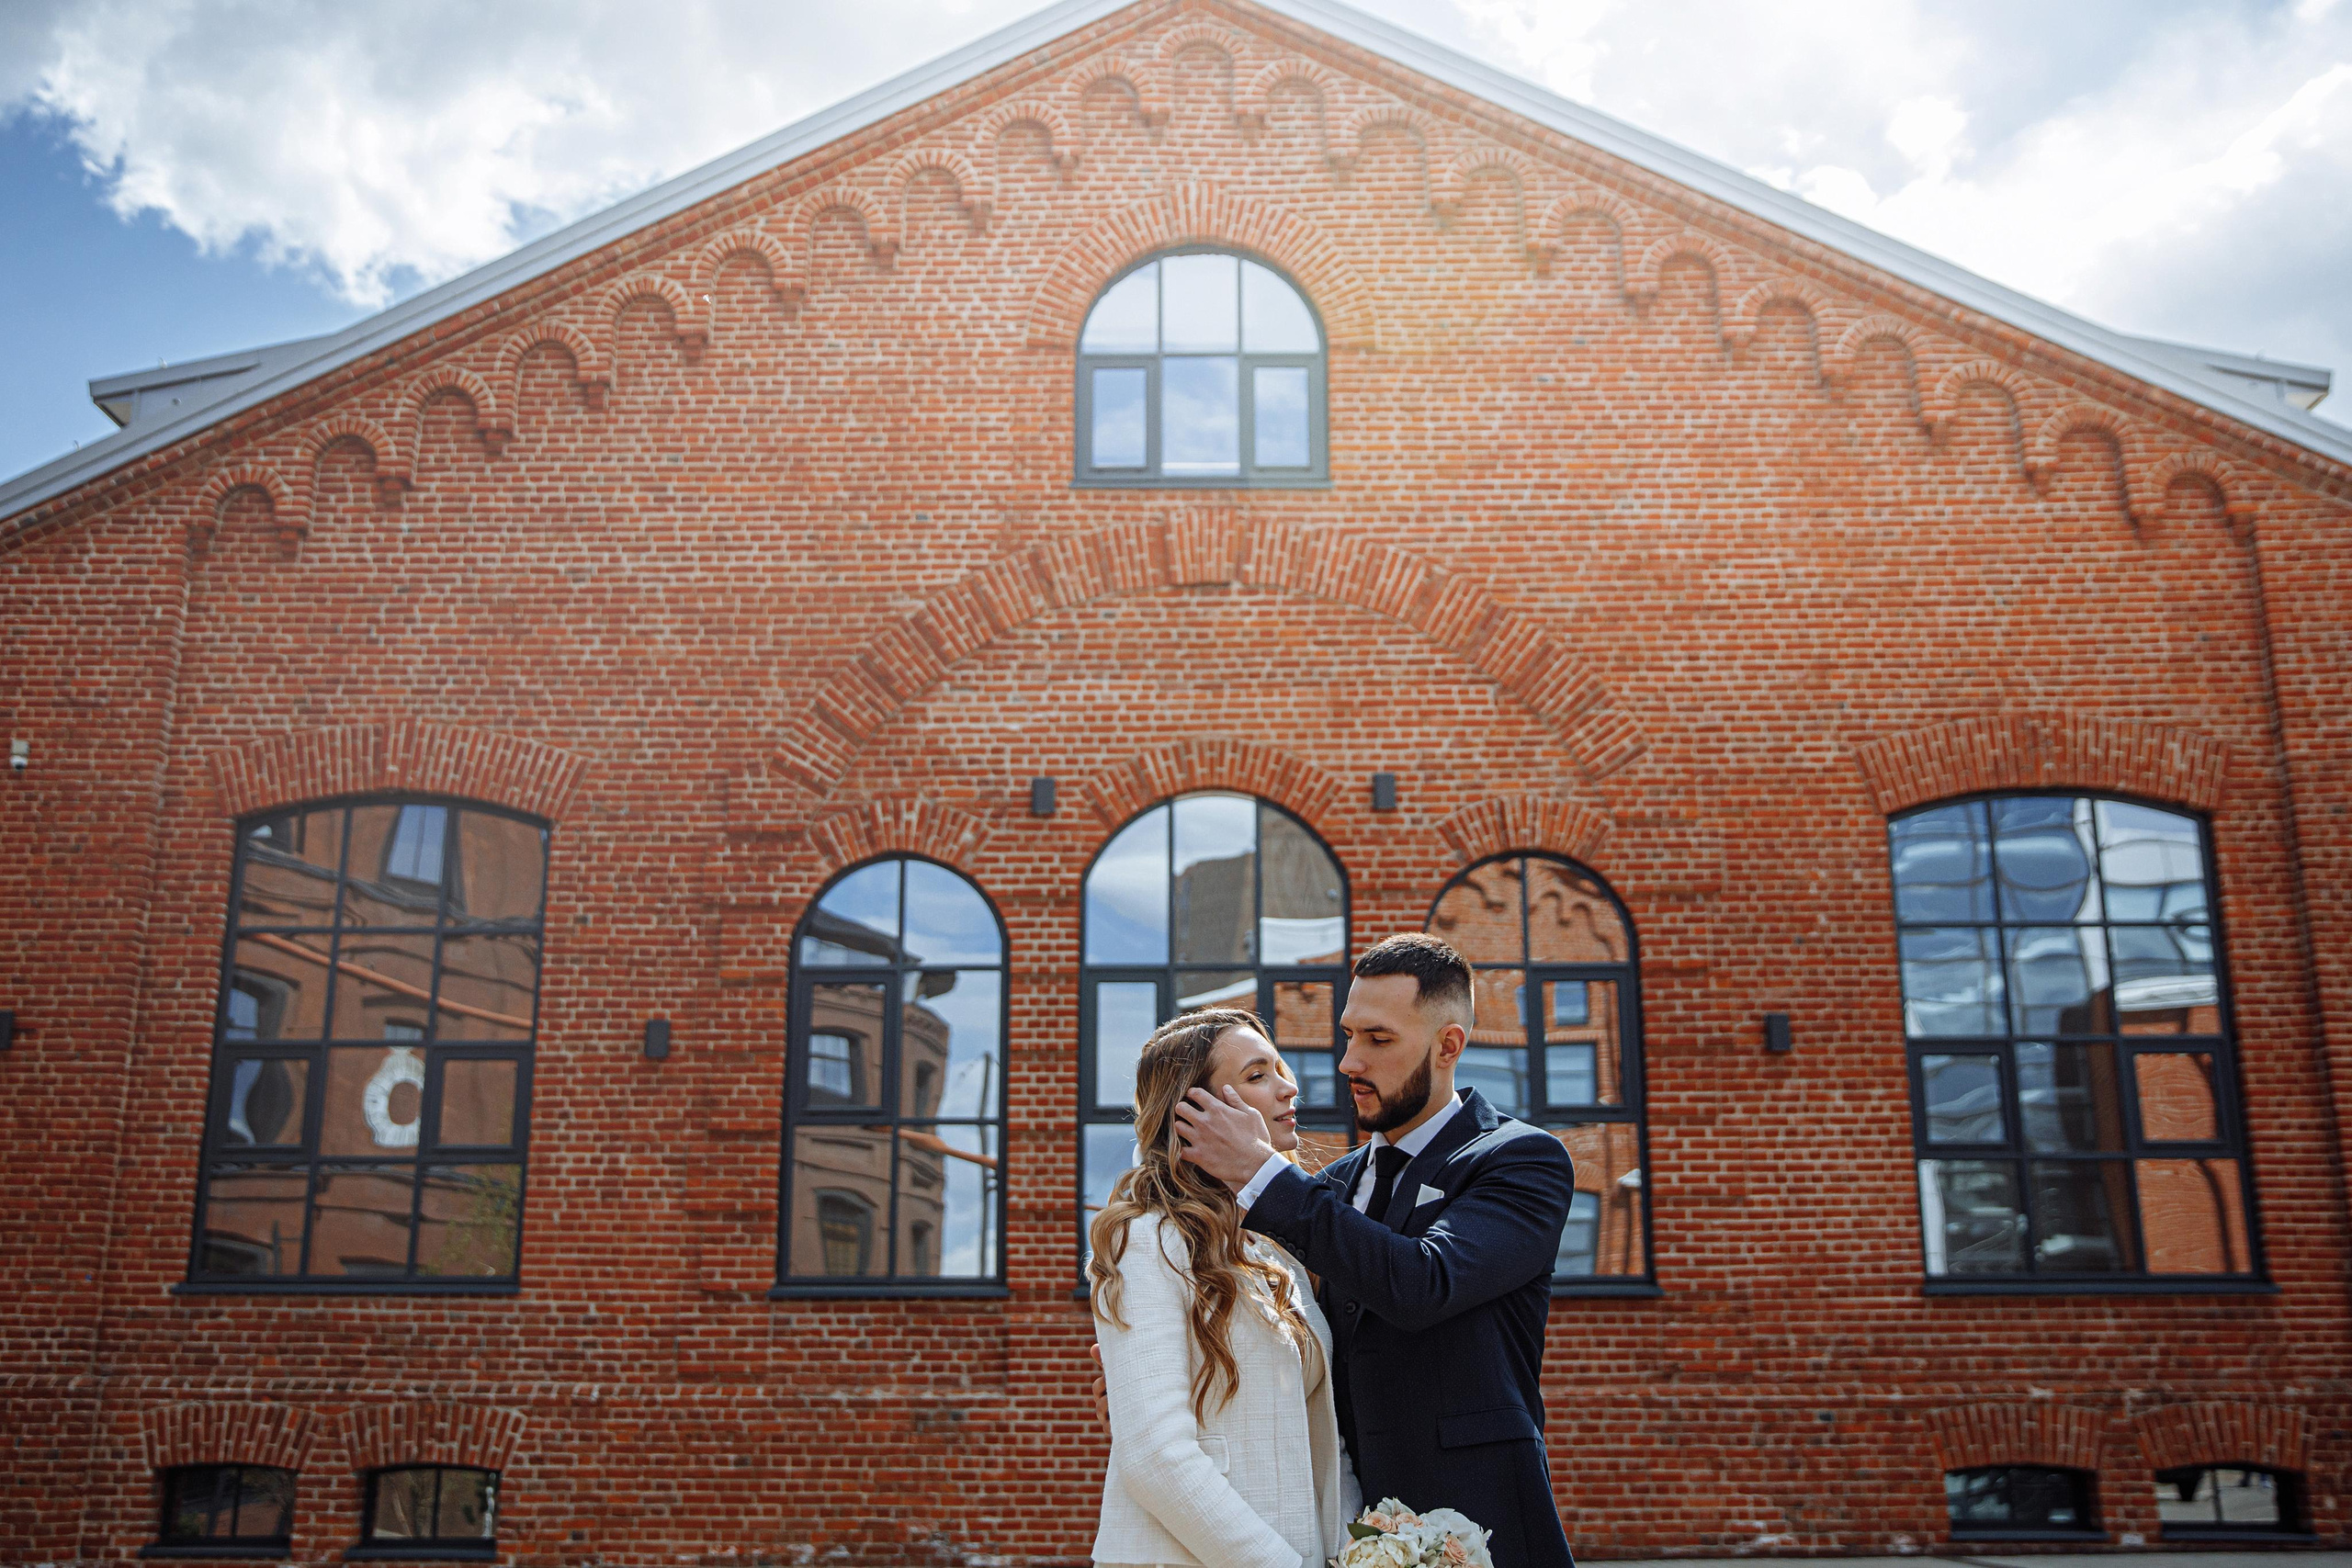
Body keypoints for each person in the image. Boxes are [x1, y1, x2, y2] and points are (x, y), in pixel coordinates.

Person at [1172, 933, 1579, 1568]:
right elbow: (1293, 1352)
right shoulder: (1326, 1190)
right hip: (1343, 1523)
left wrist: (1262, 1175)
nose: (1349, 1061)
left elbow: (1423, 1283)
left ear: (1449, 1046)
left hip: (1484, 1524)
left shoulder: (1520, 1160)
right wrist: (1181, 1390)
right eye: (1348, 1034)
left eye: (1378, 1039)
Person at [1087, 1009, 1362, 1568]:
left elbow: (1325, 1445)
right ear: (1194, 1113)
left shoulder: (1275, 1250)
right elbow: (1155, 1455)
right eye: (1259, 1075)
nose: (1290, 1088)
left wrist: (1357, 1551)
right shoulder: (1144, 1239)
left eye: (1281, 1069)